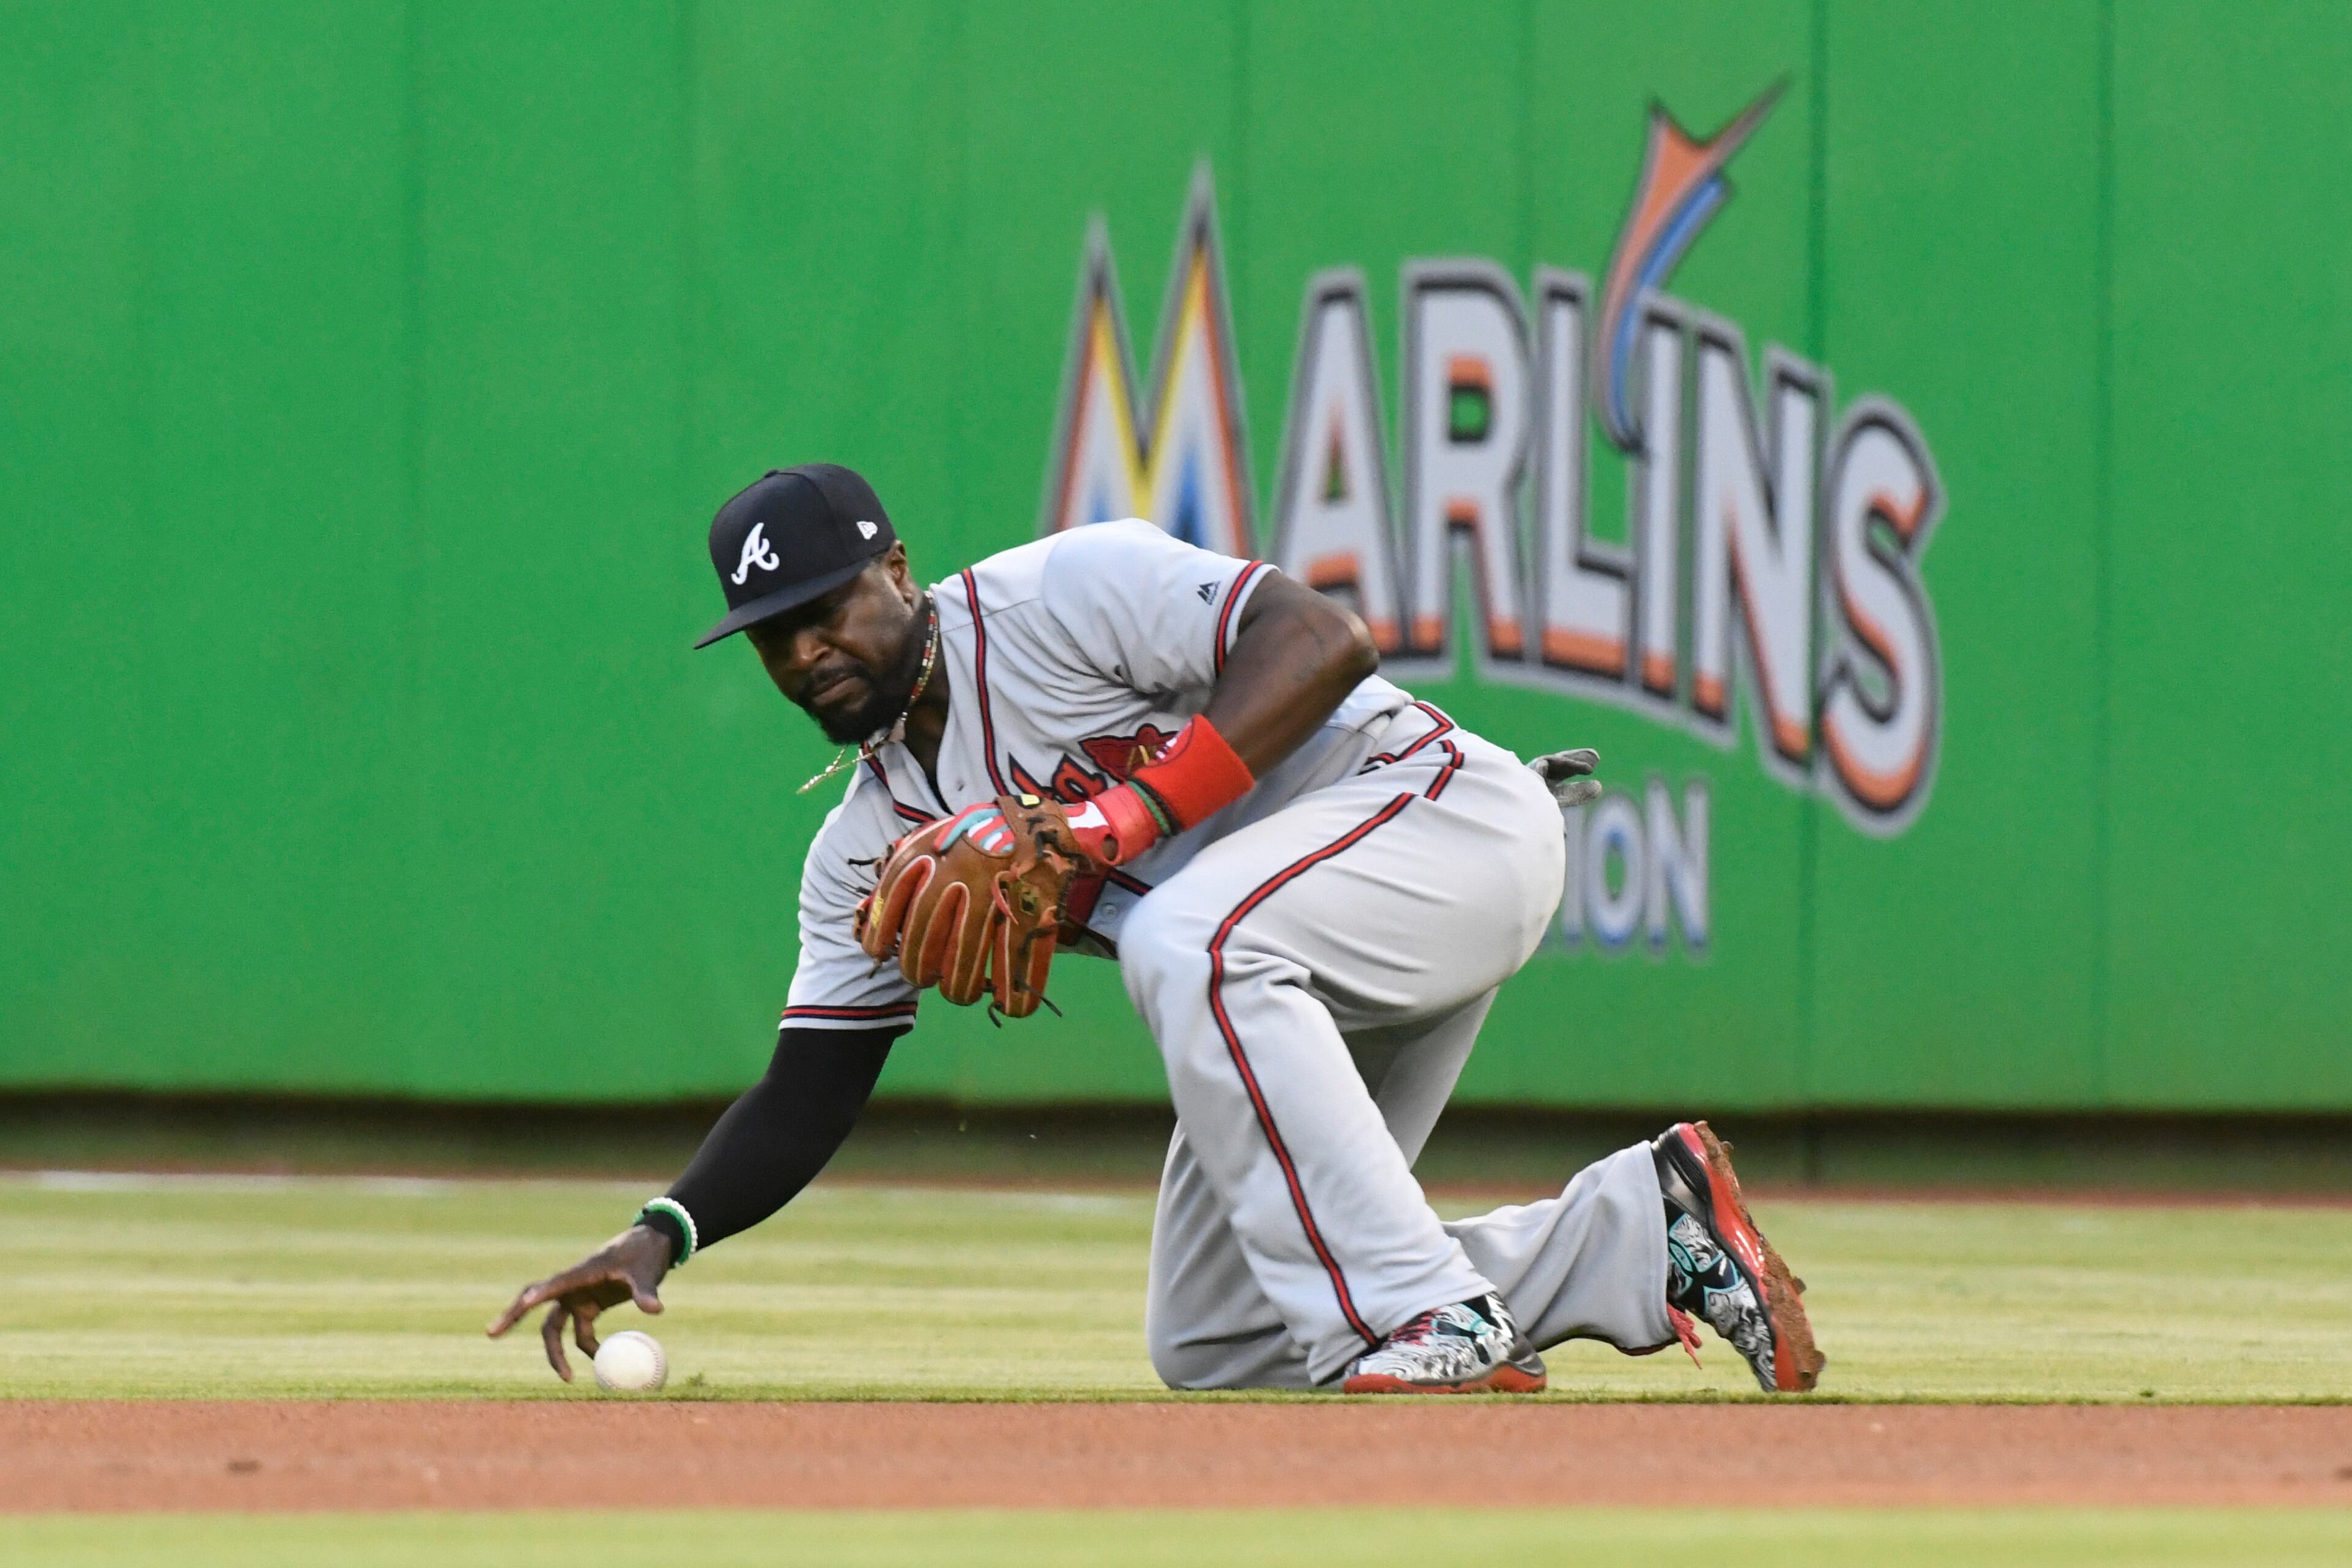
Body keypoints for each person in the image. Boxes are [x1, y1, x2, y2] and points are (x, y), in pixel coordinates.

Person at [487, 463, 1823, 1395]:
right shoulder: (868, 848)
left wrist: (1105, 825)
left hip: (1446, 825)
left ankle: (1424, 1315)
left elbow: (1323, 638)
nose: (805, 654)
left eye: (827, 608)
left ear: (899, 569)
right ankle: (1645, 1233)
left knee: (1184, 933)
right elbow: (808, 1089)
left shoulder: (1059, 595)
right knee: (1220, 1333)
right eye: (774, 637)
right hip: (1294, 964)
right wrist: (662, 1230)